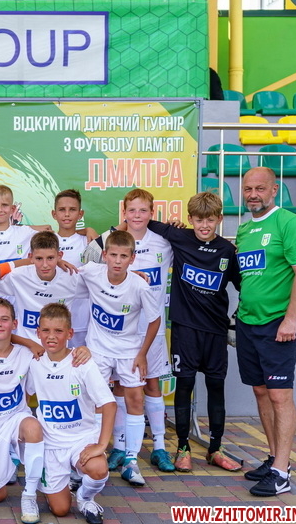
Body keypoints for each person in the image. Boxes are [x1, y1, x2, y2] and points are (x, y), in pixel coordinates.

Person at [0, 298, 89, 524]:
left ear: (15, 324)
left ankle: (29, 494)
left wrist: (82, 350)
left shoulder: (29, 354)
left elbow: (59, 356)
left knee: (33, 426)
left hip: (16, 421)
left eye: (4, 319)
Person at [143, 193, 242, 472]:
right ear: (190, 219)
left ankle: (215, 449)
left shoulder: (227, 250)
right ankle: (183, 448)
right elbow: (142, 220)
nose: (204, 226)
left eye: (210, 220)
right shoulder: (180, 237)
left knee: (216, 388)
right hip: (185, 328)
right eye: (199, 220)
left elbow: (246, 287)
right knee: (184, 386)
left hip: (216, 330)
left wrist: (238, 319)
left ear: (219, 219)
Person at [84, 189, 175, 474]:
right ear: (124, 212)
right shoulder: (111, 241)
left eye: (143, 210)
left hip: (149, 332)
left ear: (152, 213)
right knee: (119, 389)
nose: (137, 216)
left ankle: (159, 446)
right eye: (131, 210)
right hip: (120, 334)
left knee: (151, 386)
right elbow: (87, 257)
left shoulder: (165, 241)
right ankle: (120, 447)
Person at [236, 167, 296, 497]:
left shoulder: (289, 223)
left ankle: (281, 473)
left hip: (278, 324)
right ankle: (273, 458)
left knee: (280, 395)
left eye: (260, 188)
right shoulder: (243, 230)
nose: (253, 194)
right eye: (248, 189)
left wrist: (290, 319)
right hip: (248, 323)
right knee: (261, 391)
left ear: (274, 190)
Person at [75, 230, 160, 487]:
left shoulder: (140, 286)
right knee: (95, 401)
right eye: (113, 255)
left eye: (124, 256)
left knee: (135, 400)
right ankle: (94, 453)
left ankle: (131, 460)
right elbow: (66, 269)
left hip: (128, 351)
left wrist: (142, 354)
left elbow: (155, 320)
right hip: (98, 350)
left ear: (132, 259)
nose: (118, 261)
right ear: (104, 255)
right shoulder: (92, 272)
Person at [26, 303, 116, 524]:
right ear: (38, 333)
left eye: (58, 331)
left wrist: (101, 445)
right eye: (46, 330)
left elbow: (109, 404)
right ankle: (63, 484)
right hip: (51, 444)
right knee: (60, 510)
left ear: (70, 333)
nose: (51, 336)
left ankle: (85, 497)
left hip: (80, 440)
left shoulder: (81, 362)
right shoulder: (34, 362)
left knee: (98, 468)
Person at [0, 231, 79, 342]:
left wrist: (87, 230)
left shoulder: (72, 277)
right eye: (39, 258)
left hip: (57, 349)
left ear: (59, 256)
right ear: (30, 257)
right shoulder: (18, 276)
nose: (45, 265)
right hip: (25, 348)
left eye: (50, 258)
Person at [51, 189, 90, 346]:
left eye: (72, 210)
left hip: (82, 318)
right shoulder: (46, 241)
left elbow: (107, 271)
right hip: (52, 319)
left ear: (80, 214)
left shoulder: (89, 242)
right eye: (62, 210)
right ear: (54, 214)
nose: (67, 214)